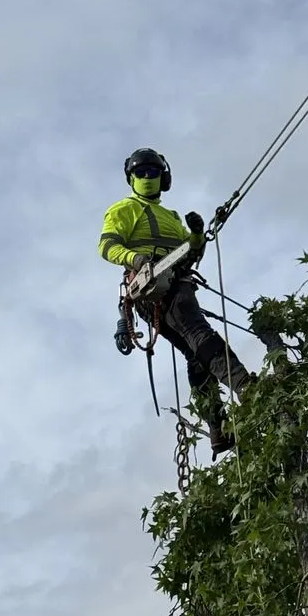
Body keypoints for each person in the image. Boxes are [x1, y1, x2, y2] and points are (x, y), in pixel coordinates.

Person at [98, 147, 254, 457]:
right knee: (199, 334)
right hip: (151, 288)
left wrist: (196, 235)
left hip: (176, 282)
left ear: (163, 177)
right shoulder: (123, 209)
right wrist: (134, 258)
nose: (146, 177)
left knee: (196, 355)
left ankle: (218, 429)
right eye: (140, 173)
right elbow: (107, 245)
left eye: (151, 172)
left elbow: (192, 253)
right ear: (130, 178)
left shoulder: (170, 218)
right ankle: (248, 390)